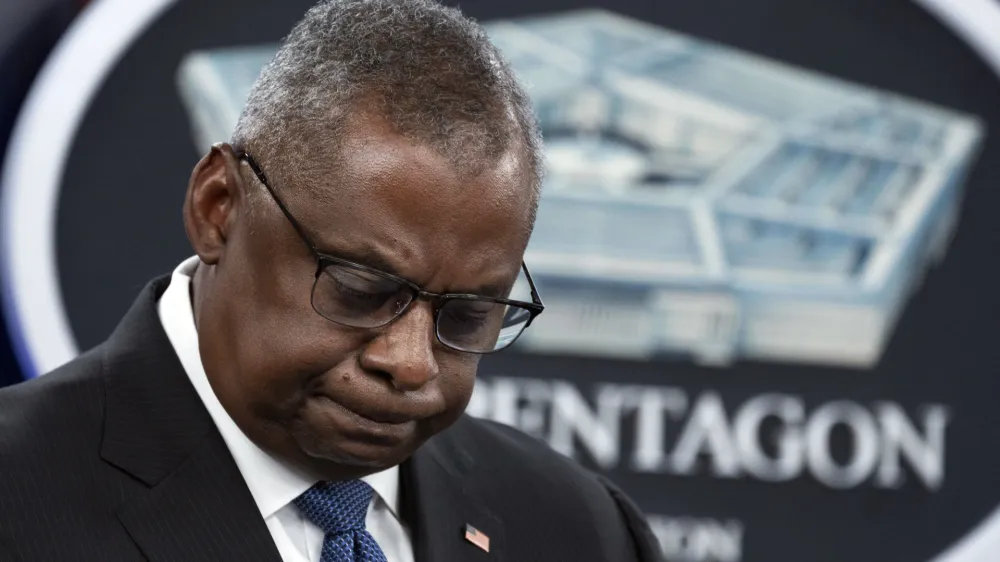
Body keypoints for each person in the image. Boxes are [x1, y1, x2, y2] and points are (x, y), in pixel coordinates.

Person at [0, 1, 663, 560]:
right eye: (360, 289)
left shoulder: (582, 531)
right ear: (218, 208)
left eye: (466, 315)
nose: (409, 364)